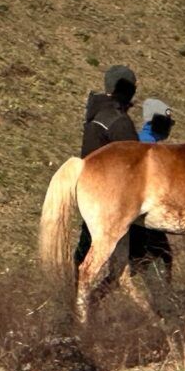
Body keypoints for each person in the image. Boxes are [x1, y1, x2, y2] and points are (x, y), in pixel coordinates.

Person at [74, 65, 139, 269]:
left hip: (92, 192)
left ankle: (72, 294)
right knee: (154, 253)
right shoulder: (118, 122)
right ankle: (164, 301)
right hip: (115, 199)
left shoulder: (96, 115)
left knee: (84, 251)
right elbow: (137, 164)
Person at [131, 98, 175, 282]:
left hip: (137, 214)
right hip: (146, 215)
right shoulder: (150, 148)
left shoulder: (137, 140)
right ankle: (164, 308)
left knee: (129, 268)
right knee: (161, 256)